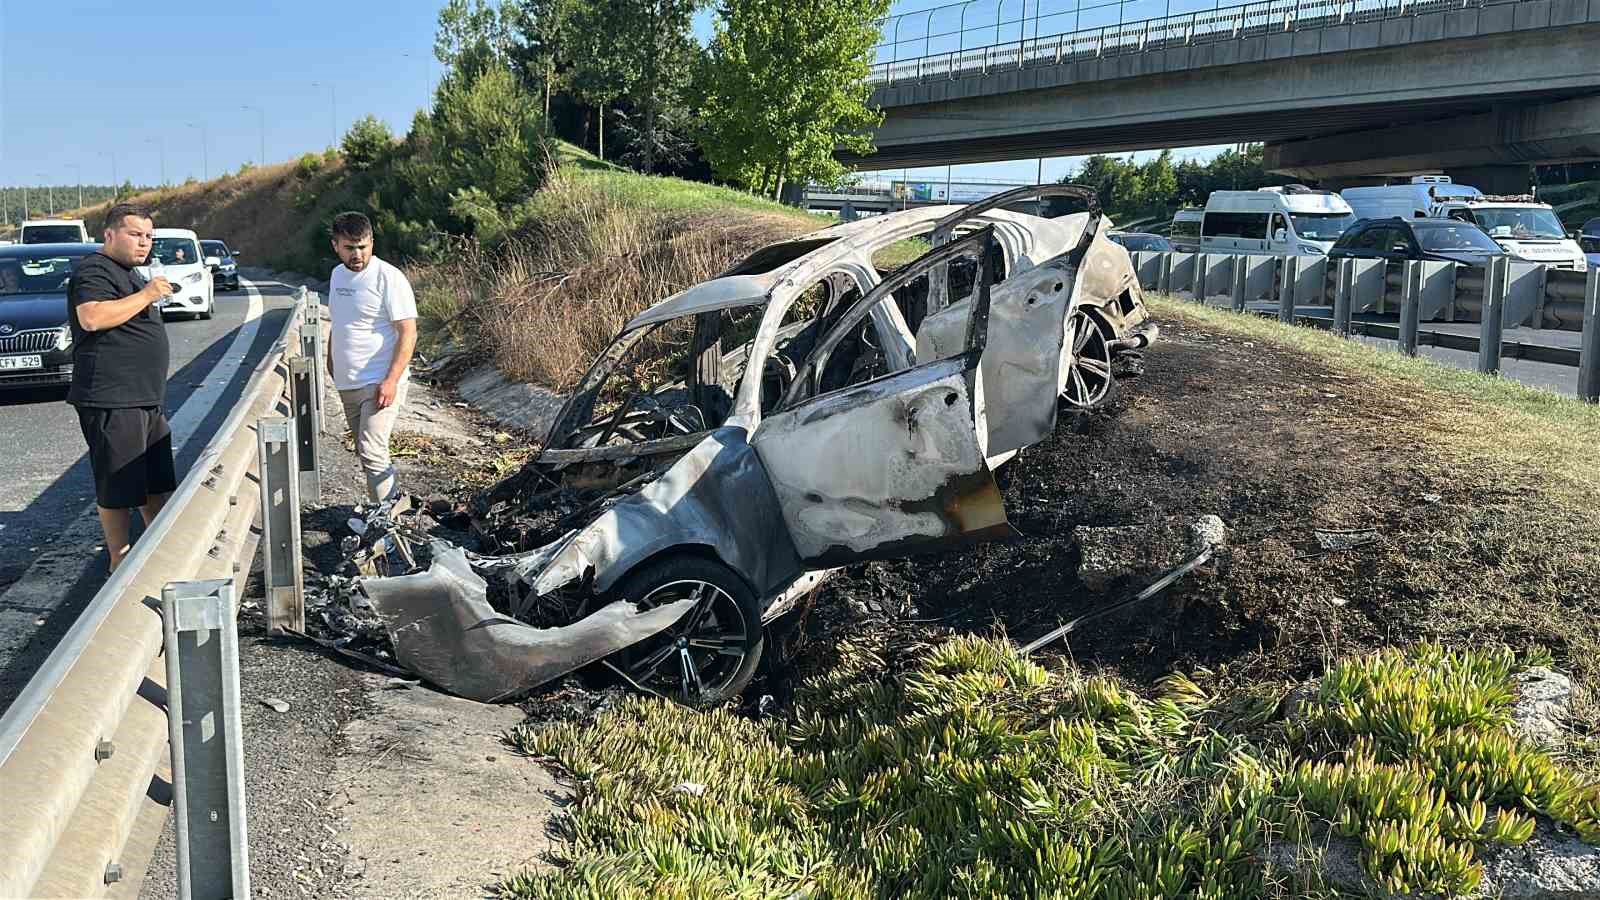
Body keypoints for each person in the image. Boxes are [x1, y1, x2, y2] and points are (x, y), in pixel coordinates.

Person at [67, 203, 177, 571]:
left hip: (143, 398)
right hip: (113, 398)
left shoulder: (130, 273)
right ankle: (120, 561)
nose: (144, 243)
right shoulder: (95, 270)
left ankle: (161, 551)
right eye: (135, 235)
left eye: (148, 236)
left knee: (154, 483)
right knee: (119, 486)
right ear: (110, 234)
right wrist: (147, 295)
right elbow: (93, 317)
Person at [326, 211, 417, 505]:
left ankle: (388, 523)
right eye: (349, 247)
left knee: (372, 449)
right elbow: (339, 322)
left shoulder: (389, 278)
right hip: (347, 382)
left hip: (379, 381)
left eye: (363, 246)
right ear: (335, 246)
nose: (357, 254)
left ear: (372, 243)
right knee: (367, 455)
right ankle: (383, 511)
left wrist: (391, 380)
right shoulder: (337, 275)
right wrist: (331, 360)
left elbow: (408, 333)